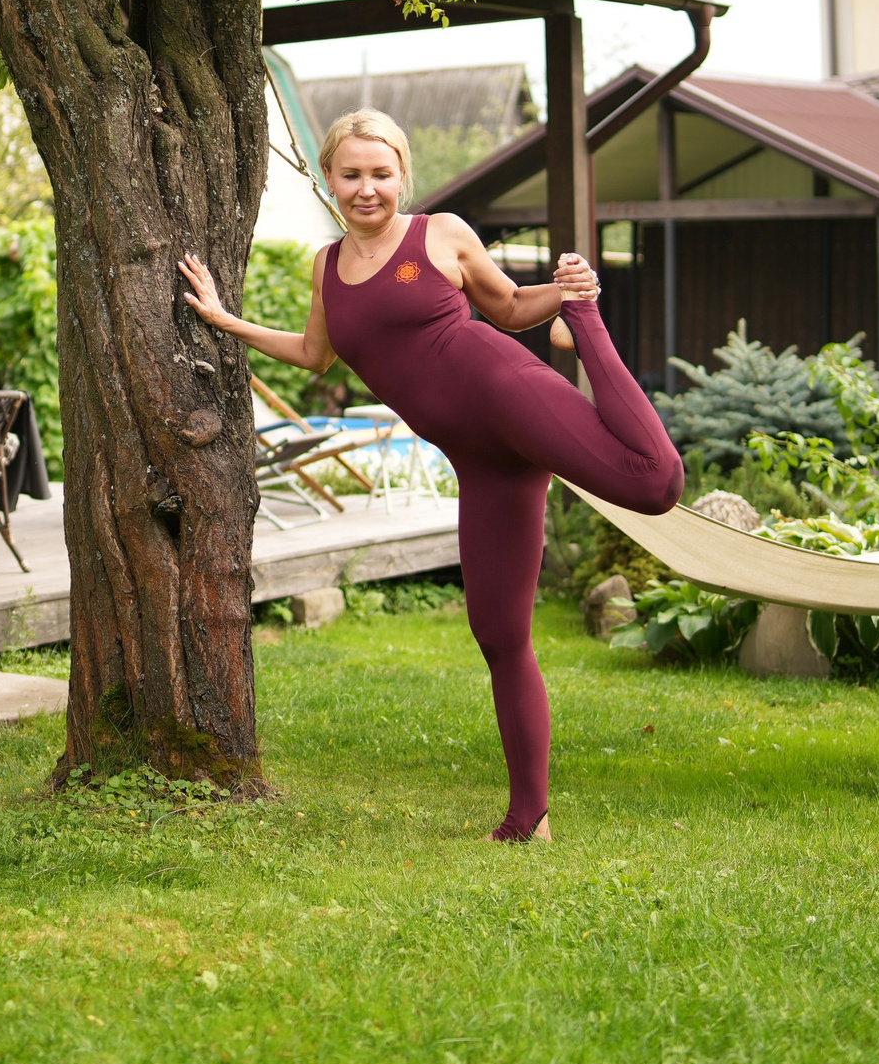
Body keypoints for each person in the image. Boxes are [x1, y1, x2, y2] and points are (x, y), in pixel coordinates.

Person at [179, 108, 682, 843]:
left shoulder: (439, 234)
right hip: (478, 459)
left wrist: (568, 295)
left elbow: (508, 307)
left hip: (507, 390)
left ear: (401, 174)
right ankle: (527, 817)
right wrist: (227, 322)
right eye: (351, 174)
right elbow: (317, 353)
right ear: (329, 178)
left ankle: (588, 326)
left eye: (381, 173)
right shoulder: (325, 266)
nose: (367, 188)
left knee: (654, 482)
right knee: (499, 633)